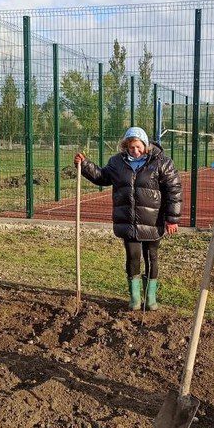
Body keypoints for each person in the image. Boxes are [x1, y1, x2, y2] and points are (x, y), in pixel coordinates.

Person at [75, 127, 182, 311]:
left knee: (151, 257)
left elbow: (174, 191)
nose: (135, 151)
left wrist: (172, 218)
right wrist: (85, 165)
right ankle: (134, 298)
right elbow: (102, 177)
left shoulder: (162, 163)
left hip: (153, 220)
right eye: (131, 147)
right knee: (132, 257)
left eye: (139, 147)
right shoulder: (117, 163)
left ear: (145, 145)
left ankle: (150, 298)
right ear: (126, 146)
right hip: (128, 221)